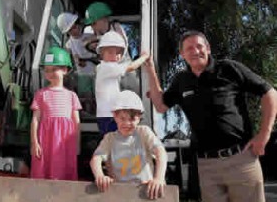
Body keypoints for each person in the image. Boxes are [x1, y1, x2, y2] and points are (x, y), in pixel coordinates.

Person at [144, 30, 277, 202]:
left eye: (199, 46)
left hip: (241, 159)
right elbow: (161, 105)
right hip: (206, 166)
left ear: (208, 48)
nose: (195, 51)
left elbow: (270, 93)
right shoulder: (181, 80)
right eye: (189, 48)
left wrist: (264, 135)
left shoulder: (229, 69)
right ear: (182, 54)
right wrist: (150, 69)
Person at [90, 90, 167, 200]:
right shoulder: (109, 138)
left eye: (132, 119)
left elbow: (161, 152)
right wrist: (100, 176)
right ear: (115, 116)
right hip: (120, 193)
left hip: (145, 190)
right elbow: (96, 158)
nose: (127, 123)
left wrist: (159, 178)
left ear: (139, 117)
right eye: (122, 118)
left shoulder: (144, 132)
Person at [30, 46, 82, 180]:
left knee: (63, 168)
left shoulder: (71, 96)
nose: (50, 73)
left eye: (54, 69)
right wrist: (35, 143)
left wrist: (77, 144)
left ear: (65, 70)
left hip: (65, 140)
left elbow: (76, 122)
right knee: (43, 168)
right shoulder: (41, 94)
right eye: (47, 70)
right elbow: (35, 120)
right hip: (46, 138)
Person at [95, 31, 149, 135]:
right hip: (109, 116)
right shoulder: (107, 67)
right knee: (115, 143)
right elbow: (131, 67)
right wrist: (144, 57)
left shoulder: (105, 68)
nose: (115, 56)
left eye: (118, 53)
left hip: (107, 114)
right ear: (102, 53)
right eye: (110, 52)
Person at [84, 2, 139, 93]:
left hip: (126, 71)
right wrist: (90, 45)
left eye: (93, 23)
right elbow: (86, 43)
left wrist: (100, 43)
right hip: (111, 76)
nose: (92, 27)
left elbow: (121, 46)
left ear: (103, 19)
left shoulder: (116, 27)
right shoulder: (95, 35)